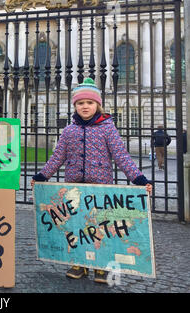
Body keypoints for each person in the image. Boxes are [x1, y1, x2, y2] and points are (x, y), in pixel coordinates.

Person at [31, 77, 153, 284]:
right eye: (80, 103)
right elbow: (58, 157)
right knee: (76, 226)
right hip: (74, 188)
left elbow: (121, 156)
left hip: (100, 189)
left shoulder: (108, 128)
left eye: (89, 102)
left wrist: (139, 179)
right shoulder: (69, 131)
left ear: (97, 105)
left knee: (99, 227)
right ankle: (78, 263)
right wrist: (42, 176)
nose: (84, 106)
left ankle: (100, 266)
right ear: (75, 106)